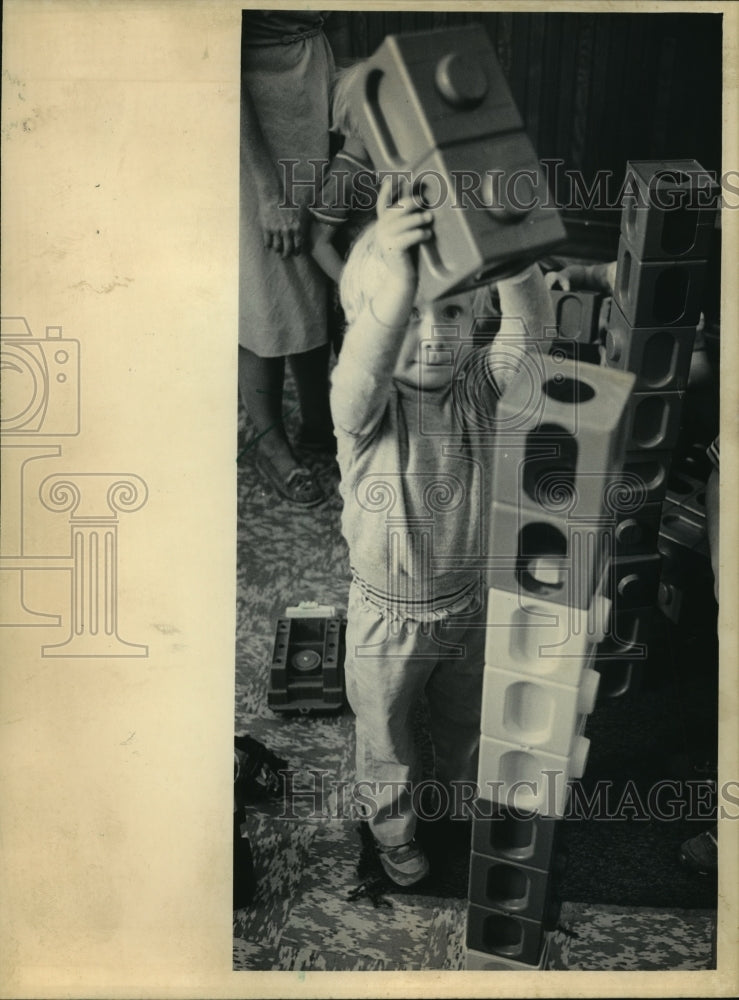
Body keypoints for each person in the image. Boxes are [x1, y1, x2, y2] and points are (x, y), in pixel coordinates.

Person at [330, 176, 555, 886]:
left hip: (467, 605)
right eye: (409, 317)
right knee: (386, 738)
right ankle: (392, 830)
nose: (433, 334)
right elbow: (361, 370)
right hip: (384, 619)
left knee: (465, 719)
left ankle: (456, 804)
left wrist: (509, 259)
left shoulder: (480, 388)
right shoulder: (365, 411)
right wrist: (397, 283)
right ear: (370, 325)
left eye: (452, 311)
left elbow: (531, 332)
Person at [239, 10, 336, 506]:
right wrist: (266, 190)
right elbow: (214, 57)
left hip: (305, 82)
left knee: (308, 269)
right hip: (249, 104)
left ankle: (319, 425)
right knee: (263, 284)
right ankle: (269, 445)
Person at [309, 61, 378, 286]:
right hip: (363, 284)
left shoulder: (378, 167)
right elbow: (319, 243)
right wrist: (351, 287)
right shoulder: (345, 175)